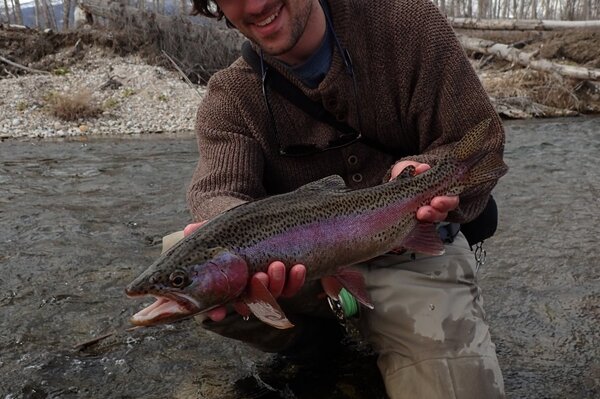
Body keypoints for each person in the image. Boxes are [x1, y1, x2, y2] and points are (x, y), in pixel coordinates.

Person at [174, 0, 509, 397]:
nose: (257, 3)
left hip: (409, 247)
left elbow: (480, 137)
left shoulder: (407, 24)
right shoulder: (230, 96)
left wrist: (422, 173)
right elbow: (216, 191)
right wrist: (237, 236)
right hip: (302, 266)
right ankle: (321, 347)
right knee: (192, 270)